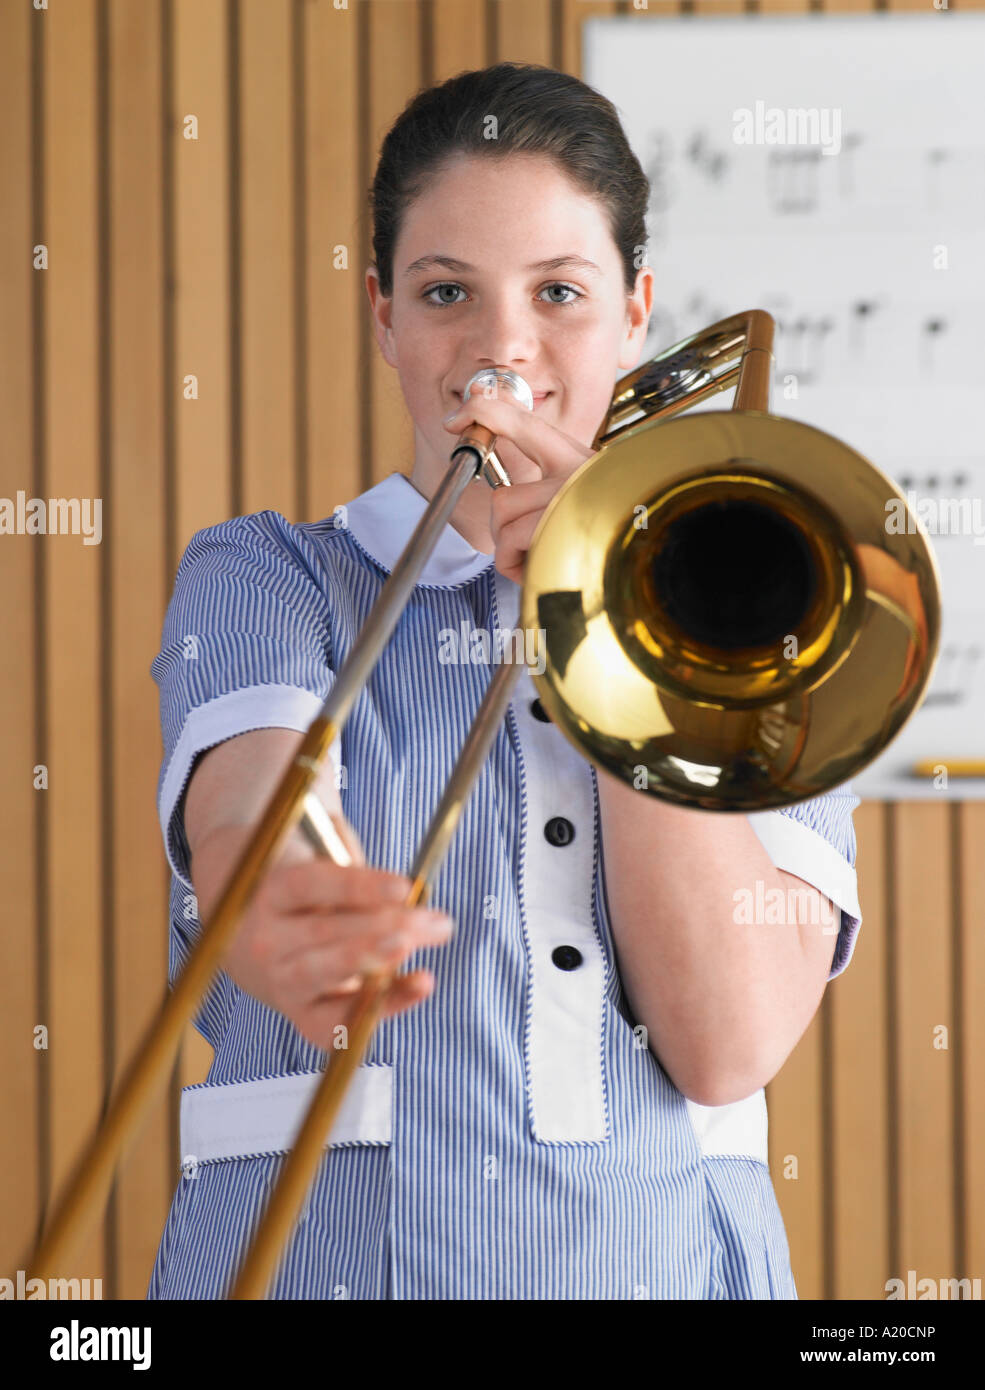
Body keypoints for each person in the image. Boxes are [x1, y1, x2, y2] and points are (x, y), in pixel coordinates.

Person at [146, 61, 862, 1300]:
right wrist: (283, 904)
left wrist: (601, 620)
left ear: (637, 308)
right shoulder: (267, 574)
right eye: (443, 294)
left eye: (560, 293)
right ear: (382, 317)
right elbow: (249, 816)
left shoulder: (759, 613)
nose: (500, 350)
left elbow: (729, 1040)